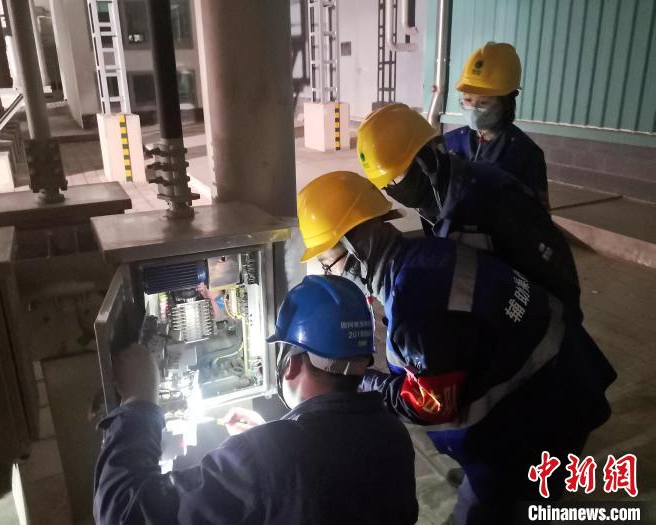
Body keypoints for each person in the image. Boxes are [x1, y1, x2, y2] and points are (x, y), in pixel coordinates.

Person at [297, 171, 616, 524]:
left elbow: (431, 404)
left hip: (541, 412)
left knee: (495, 509)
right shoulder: (426, 251)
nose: (329, 273)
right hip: (563, 370)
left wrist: (368, 381)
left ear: (357, 248)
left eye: (328, 263)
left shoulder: (414, 306)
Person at [93, 275, 419, 525]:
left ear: (291, 363)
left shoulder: (268, 454)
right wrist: (273, 435)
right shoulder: (392, 434)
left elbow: (123, 513)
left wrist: (140, 404)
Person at [357, 102, 581, 319]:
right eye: (386, 185)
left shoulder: (492, 199)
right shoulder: (434, 202)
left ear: (424, 160)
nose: (393, 190)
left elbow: (551, 276)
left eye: (395, 178)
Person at [445, 42, 549, 208]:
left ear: (506, 103)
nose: (473, 109)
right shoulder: (450, 141)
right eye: (468, 100)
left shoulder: (525, 154)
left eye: (483, 102)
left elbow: (537, 215)